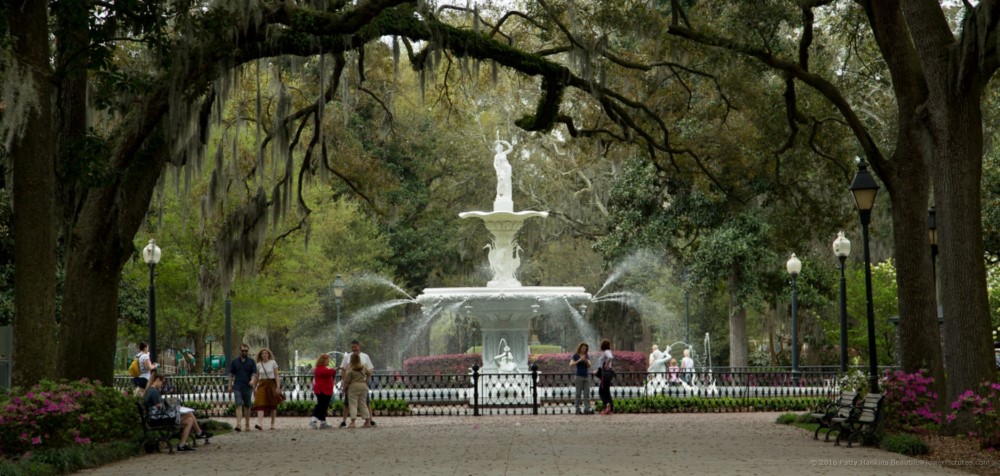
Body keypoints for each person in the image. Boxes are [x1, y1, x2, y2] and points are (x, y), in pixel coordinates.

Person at [145, 374, 211, 452]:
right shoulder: (153, 391)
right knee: (189, 413)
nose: (162, 385)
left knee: (190, 420)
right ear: (157, 380)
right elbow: (159, 406)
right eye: (162, 383)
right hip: (157, 419)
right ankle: (199, 433)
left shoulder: (151, 390)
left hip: (158, 417)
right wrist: (172, 407)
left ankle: (182, 445)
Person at [339, 339, 375, 427]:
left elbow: (345, 372)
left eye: (355, 346)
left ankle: (353, 422)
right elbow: (370, 372)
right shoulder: (362, 366)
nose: (354, 348)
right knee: (363, 404)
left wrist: (344, 387)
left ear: (359, 346)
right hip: (362, 385)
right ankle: (368, 421)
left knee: (353, 404)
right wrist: (365, 381)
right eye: (352, 347)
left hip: (352, 385)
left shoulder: (363, 358)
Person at [227, 343, 257, 432]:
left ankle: (247, 424)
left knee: (247, 406)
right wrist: (229, 385)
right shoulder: (235, 362)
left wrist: (252, 381)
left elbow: (254, 373)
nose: (244, 352)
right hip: (237, 386)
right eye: (243, 350)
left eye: (246, 351)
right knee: (238, 405)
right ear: (240, 351)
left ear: (248, 351)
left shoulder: (251, 362)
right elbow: (231, 374)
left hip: (247, 386)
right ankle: (238, 424)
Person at [252, 348, 281, 431]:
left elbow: (276, 375)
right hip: (262, 385)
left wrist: (278, 386)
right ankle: (260, 423)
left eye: (266, 353)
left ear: (269, 354)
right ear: (260, 355)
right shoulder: (258, 365)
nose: (264, 355)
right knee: (260, 403)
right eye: (263, 354)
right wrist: (254, 388)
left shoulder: (273, 363)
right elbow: (257, 377)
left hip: (271, 384)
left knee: (273, 404)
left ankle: (272, 423)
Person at [310, 353, 336, 429]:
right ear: (323, 360)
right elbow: (326, 373)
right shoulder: (320, 368)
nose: (329, 361)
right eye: (328, 360)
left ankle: (323, 422)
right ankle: (313, 420)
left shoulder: (321, 368)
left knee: (323, 406)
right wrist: (334, 370)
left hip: (324, 390)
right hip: (323, 390)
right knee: (321, 405)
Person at [569, 342, 592, 414]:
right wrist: (579, 360)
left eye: (585, 348)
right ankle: (577, 409)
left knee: (586, 394)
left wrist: (585, 360)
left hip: (586, 377)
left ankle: (587, 409)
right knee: (578, 394)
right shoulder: (575, 355)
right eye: (583, 348)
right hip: (579, 376)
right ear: (580, 348)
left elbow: (589, 365)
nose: (584, 349)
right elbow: (571, 364)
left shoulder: (586, 355)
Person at [596, 339, 614, 415]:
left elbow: (610, 357)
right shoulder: (608, 351)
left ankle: (607, 404)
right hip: (606, 373)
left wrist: (606, 365)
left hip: (604, 374)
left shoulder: (606, 351)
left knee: (601, 391)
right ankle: (610, 408)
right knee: (607, 391)